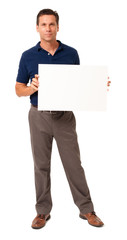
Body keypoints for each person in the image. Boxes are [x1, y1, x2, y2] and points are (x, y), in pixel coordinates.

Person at [15, 8, 107, 229]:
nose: (48, 28)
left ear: (57, 26)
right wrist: (31, 88)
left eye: (52, 24)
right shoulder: (27, 55)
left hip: (64, 117)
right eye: (44, 24)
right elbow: (18, 89)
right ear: (37, 28)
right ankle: (42, 212)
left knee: (74, 164)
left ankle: (86, 209)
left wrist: (97, 87)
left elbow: (77, 85)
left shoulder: (71, 53)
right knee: (41, 166)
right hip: (38, 116)